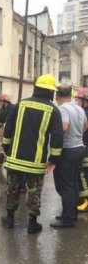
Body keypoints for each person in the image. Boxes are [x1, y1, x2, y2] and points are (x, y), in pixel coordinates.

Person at [1, 74, 63, 234]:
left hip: (14, 159)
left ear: (35, 89)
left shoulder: (19, 105)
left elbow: (8, 129)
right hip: (36, 163)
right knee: (34, 191)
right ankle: (32, 224)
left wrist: (6, 148)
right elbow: (57, 137)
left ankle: (9, 219)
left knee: (12, 189)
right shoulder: (53, 111)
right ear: (51, 92)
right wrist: (53, 159)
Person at [49, 83, 86, 228]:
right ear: (70, 95)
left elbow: (63, 128)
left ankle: (67, 219)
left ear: (57, 96)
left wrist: (57, 143)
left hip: (67, 150)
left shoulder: (62, 109)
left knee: (64, 185)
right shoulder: (79, 108)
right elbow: (86, 126)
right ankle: (71, 213)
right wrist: (77, 137)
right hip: (78, 148)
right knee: (73, 183)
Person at [75, 88, 88, 211]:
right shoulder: (83, 111)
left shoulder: (85, 112)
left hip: (85, 147)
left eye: (79, 99)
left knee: (83, 174)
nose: (77, 101)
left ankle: (86, 201)